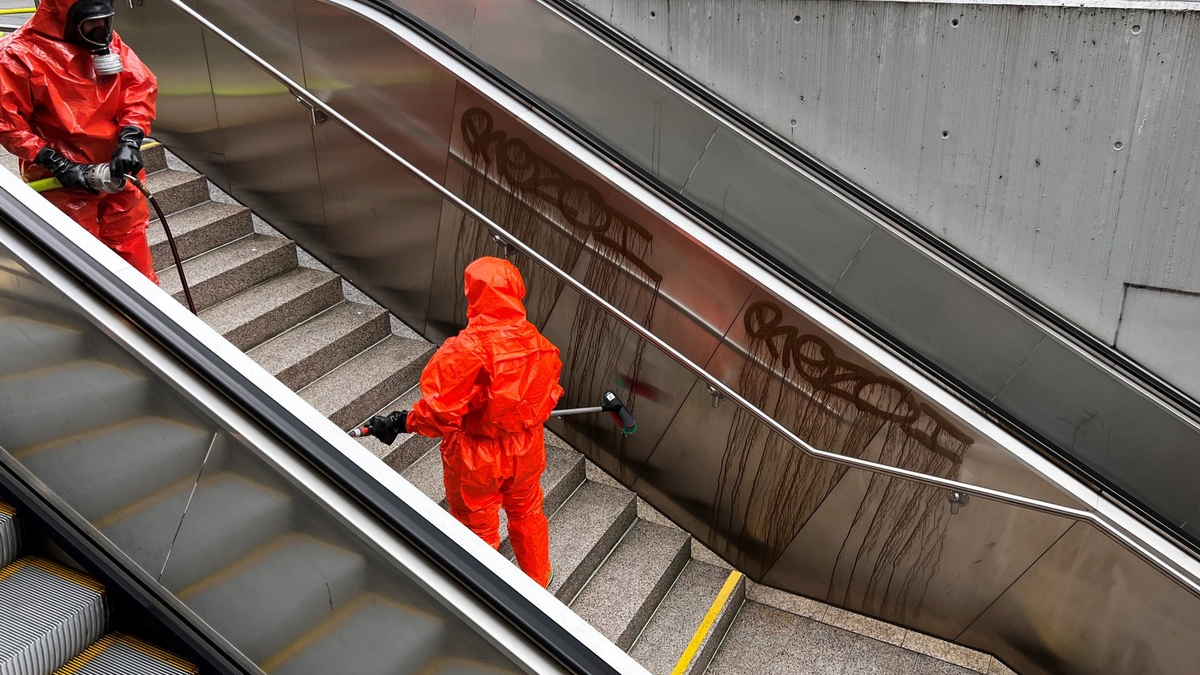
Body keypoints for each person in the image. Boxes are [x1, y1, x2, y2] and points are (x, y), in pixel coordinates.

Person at [365, 256, 564, 588]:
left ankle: (483, 592)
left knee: (477, 527)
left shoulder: (468, 349)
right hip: (527, 445)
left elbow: (439, 412)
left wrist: (401, 423)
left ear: (475, 295)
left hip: (478, 456)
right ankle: (538, 579)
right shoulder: (540, 345)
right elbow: (548, 394)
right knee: (527, 512)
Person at [0, 0, 159, 283]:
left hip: (117, 168)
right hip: (62, 180)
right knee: (81, 258)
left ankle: (148, 314)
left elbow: (138, 87)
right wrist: (57, 163)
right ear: (66, 20)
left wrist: (130, 138)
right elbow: (8, 124)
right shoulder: (18, 55)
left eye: (105, 23)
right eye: (92, 25)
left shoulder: (108, 42)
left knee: (132, 241)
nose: (101, 32)